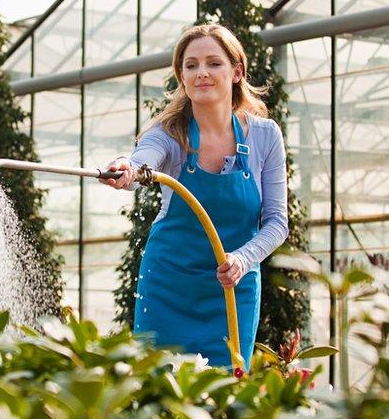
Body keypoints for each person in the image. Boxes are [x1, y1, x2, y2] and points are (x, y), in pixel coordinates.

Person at [99, 23, 288, 369]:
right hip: (168, 286)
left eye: (213, 63)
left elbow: (277, 223)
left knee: (226, 393)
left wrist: (243, 261)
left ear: (236, 72)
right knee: (158, 392)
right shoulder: (170, 134)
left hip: (234, 288)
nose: (202, 72)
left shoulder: (265, 136)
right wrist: (127, 167)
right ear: (181, 77)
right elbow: (144, 161)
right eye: (191, 65)